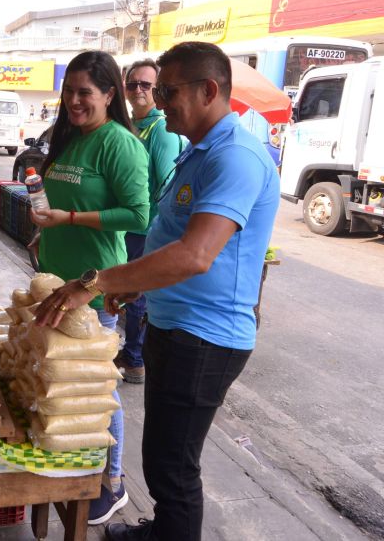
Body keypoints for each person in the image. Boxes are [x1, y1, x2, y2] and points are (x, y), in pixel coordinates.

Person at [33, 42, 280, 541]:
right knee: (163, 456)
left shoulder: (235, 157)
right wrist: (132, 286)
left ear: (209, 90)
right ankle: (161, 529)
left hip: (206, 336)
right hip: (175, 323)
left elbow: (194, 254)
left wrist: (99, 283)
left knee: (174, 467)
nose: (156, 100)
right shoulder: (198, 150)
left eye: (166, 90)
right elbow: (165, 236)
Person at [28, 50, 150, 526]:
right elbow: (57, 199)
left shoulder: (119, 144)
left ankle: (112, 482)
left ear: (109, 95)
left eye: (85, 93)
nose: (75, 101)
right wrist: (46, 229)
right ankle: (70, 465)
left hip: (93, 287)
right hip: (55, 280)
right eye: (69, 91)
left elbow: (139, 216)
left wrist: (72, 219)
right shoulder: (71, 138)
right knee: (60, 383)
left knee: (98, 388)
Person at [119, 59, 184, 384]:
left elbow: (166, 184)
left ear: (157, 91)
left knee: (136, 296)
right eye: (133, 84)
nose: (138, 90)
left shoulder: (161, 130)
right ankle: (128, 353)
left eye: (146, 85)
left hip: (146, 229)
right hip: (125, 226)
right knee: (125, 292)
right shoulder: (132, 125)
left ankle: (134, 360)